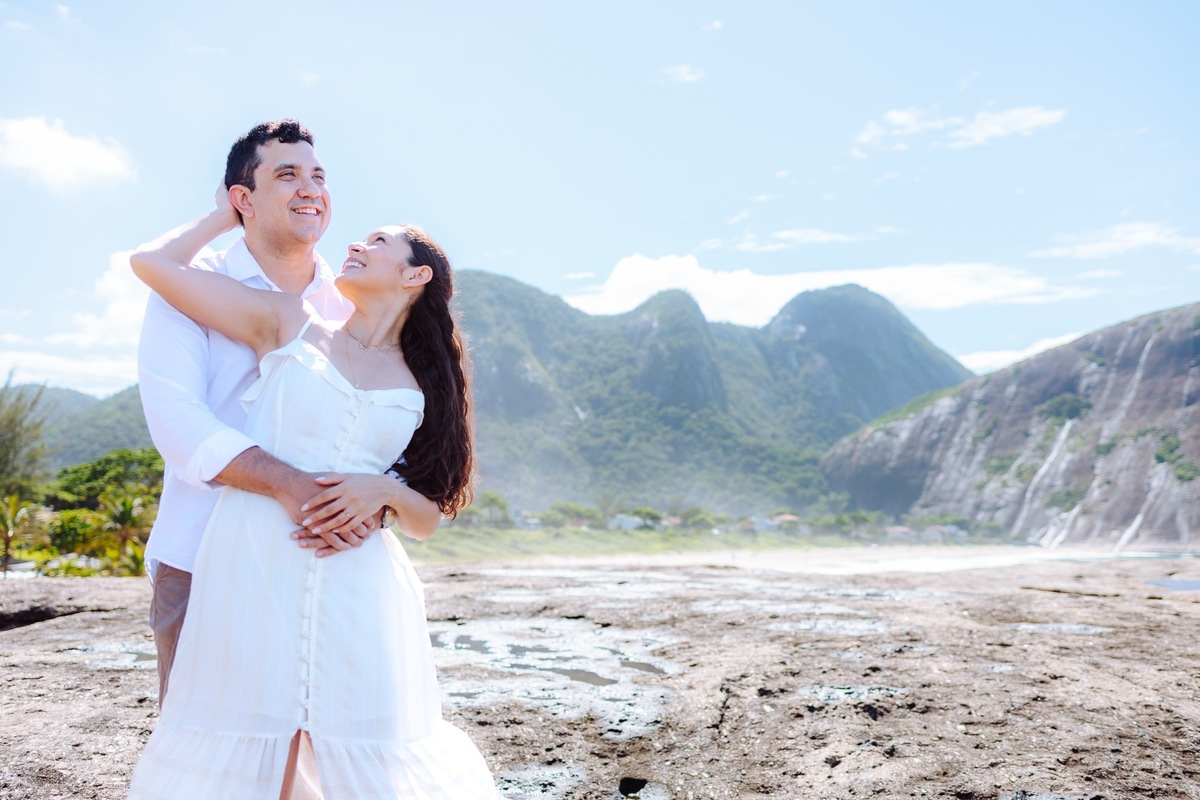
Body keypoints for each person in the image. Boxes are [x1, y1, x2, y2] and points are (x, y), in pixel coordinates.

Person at [125, 189, 497, 797]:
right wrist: (232, 211)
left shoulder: (429, 383)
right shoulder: (287, 321)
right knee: (249, 731)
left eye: (378, 242)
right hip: (253, 555)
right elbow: (153, 266)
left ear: (416, 275)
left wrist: (382, 490)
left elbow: (428, 517)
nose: (356, 243)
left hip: (358, 575)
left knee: (357, 739)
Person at [138, 119, 429, 716]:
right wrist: (287, 484)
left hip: (315, 557)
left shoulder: (349, 296)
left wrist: (371, 503)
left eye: (318, 176)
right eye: (287, 175)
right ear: (244, 196)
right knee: (202, 744)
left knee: (312, 745)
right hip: (199, 552)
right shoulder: (195, 284)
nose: (310, 189)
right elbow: (175, 419)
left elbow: (380, 426)